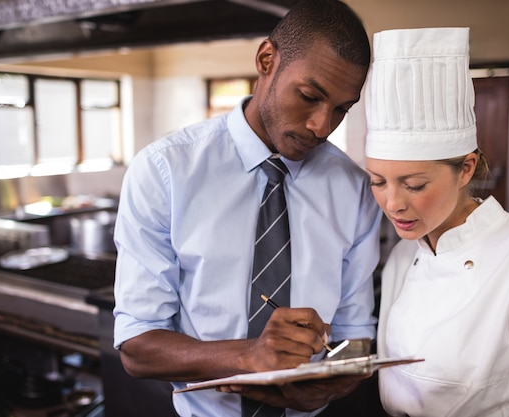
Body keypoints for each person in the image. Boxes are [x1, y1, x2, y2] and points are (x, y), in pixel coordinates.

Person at [112, 1, 383, 415]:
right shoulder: (166, 170)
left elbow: (354, 337)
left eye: (342, 109)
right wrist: (248, 355)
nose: (322, 126)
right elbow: (137, 346)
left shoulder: (354, 190)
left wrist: (329, 385)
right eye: (310, 96)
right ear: (266, 60)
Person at [363, 27, 509, 416]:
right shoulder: (402, 259)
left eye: (414, 184)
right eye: (377, 181)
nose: (392, 204)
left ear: (465, 169)